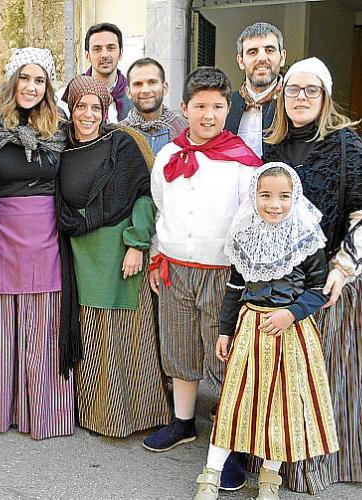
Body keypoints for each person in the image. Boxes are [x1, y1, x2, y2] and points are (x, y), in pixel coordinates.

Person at [142, 67, 262, 490]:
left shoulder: (243, 163)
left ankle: (232, 442)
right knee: (179, 347)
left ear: (228, 109)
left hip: (222, 273)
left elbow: (250, 220)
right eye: (199, 106)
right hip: (175, 268)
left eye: (217, 107)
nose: (208, 115)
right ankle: (183, 421)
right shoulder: (167, 156)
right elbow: (161, 206)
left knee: (225, 357)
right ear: (184, 108)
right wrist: (158, 255)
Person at [193, 163, 338, 500]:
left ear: (295, 197)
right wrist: (225, 330)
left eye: (284, 196)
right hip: (251, 330)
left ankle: (270, 478)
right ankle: (210, 475)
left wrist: (291, 313)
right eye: (266, 195)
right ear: (254, 196)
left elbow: (319, 289)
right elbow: (234, 287)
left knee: (282, 407)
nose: (275, 204)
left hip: (290, 333)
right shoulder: (245, 235)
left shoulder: (306, 237)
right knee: (233, 402)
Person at [261, 57, 362, 494]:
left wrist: (344, 266)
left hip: (330, 281)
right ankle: (273, 458)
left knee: (323, 376)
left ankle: (316, 465)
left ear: (325, 97)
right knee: (281, 376)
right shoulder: (273, 145)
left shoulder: (346, 144)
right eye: (293, 90)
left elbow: (360, 212)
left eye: (311, 90)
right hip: (281, 280)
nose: (301, 98)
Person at [0, 47, 74, 440]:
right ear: (12, 82)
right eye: (24, 78)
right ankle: (2, 407)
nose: (31, 87)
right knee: (0, 327)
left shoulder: (59, 130)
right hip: (2, 236)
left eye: (39, 80)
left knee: (43, 327)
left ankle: (44, 413)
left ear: (48, 87)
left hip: (46, 236)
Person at [56, 75, 171, 437]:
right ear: (71, 109)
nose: (88, 114)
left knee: (125, 336)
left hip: (120, 251)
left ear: (106, 109)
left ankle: (136, 415)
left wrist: (137, 244)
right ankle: (97, 415)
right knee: (92, 336)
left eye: (96, 107)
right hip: (80, 252)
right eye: (81, 107)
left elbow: (143, 195)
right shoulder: (61, 148)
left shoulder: (121, 143)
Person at [224, 22, 286, 157]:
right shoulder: (224, 105)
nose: (262, 58)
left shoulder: (292, 106)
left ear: (282, 58)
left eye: (269, 50)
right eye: (252, 52)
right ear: (241, 61)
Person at [57, 23, 133, 123]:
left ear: (120, 54)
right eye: (97, 49)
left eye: (110, 48)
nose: (104, 55)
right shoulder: (65, 98)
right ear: (87, 55)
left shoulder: (134, 96)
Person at [120, 58, 187, 155]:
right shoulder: (117, 134)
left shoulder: (186, 130)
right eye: (138, 84)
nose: (145, 90)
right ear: (128, 92)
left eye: (152, 82)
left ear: (164, 88)